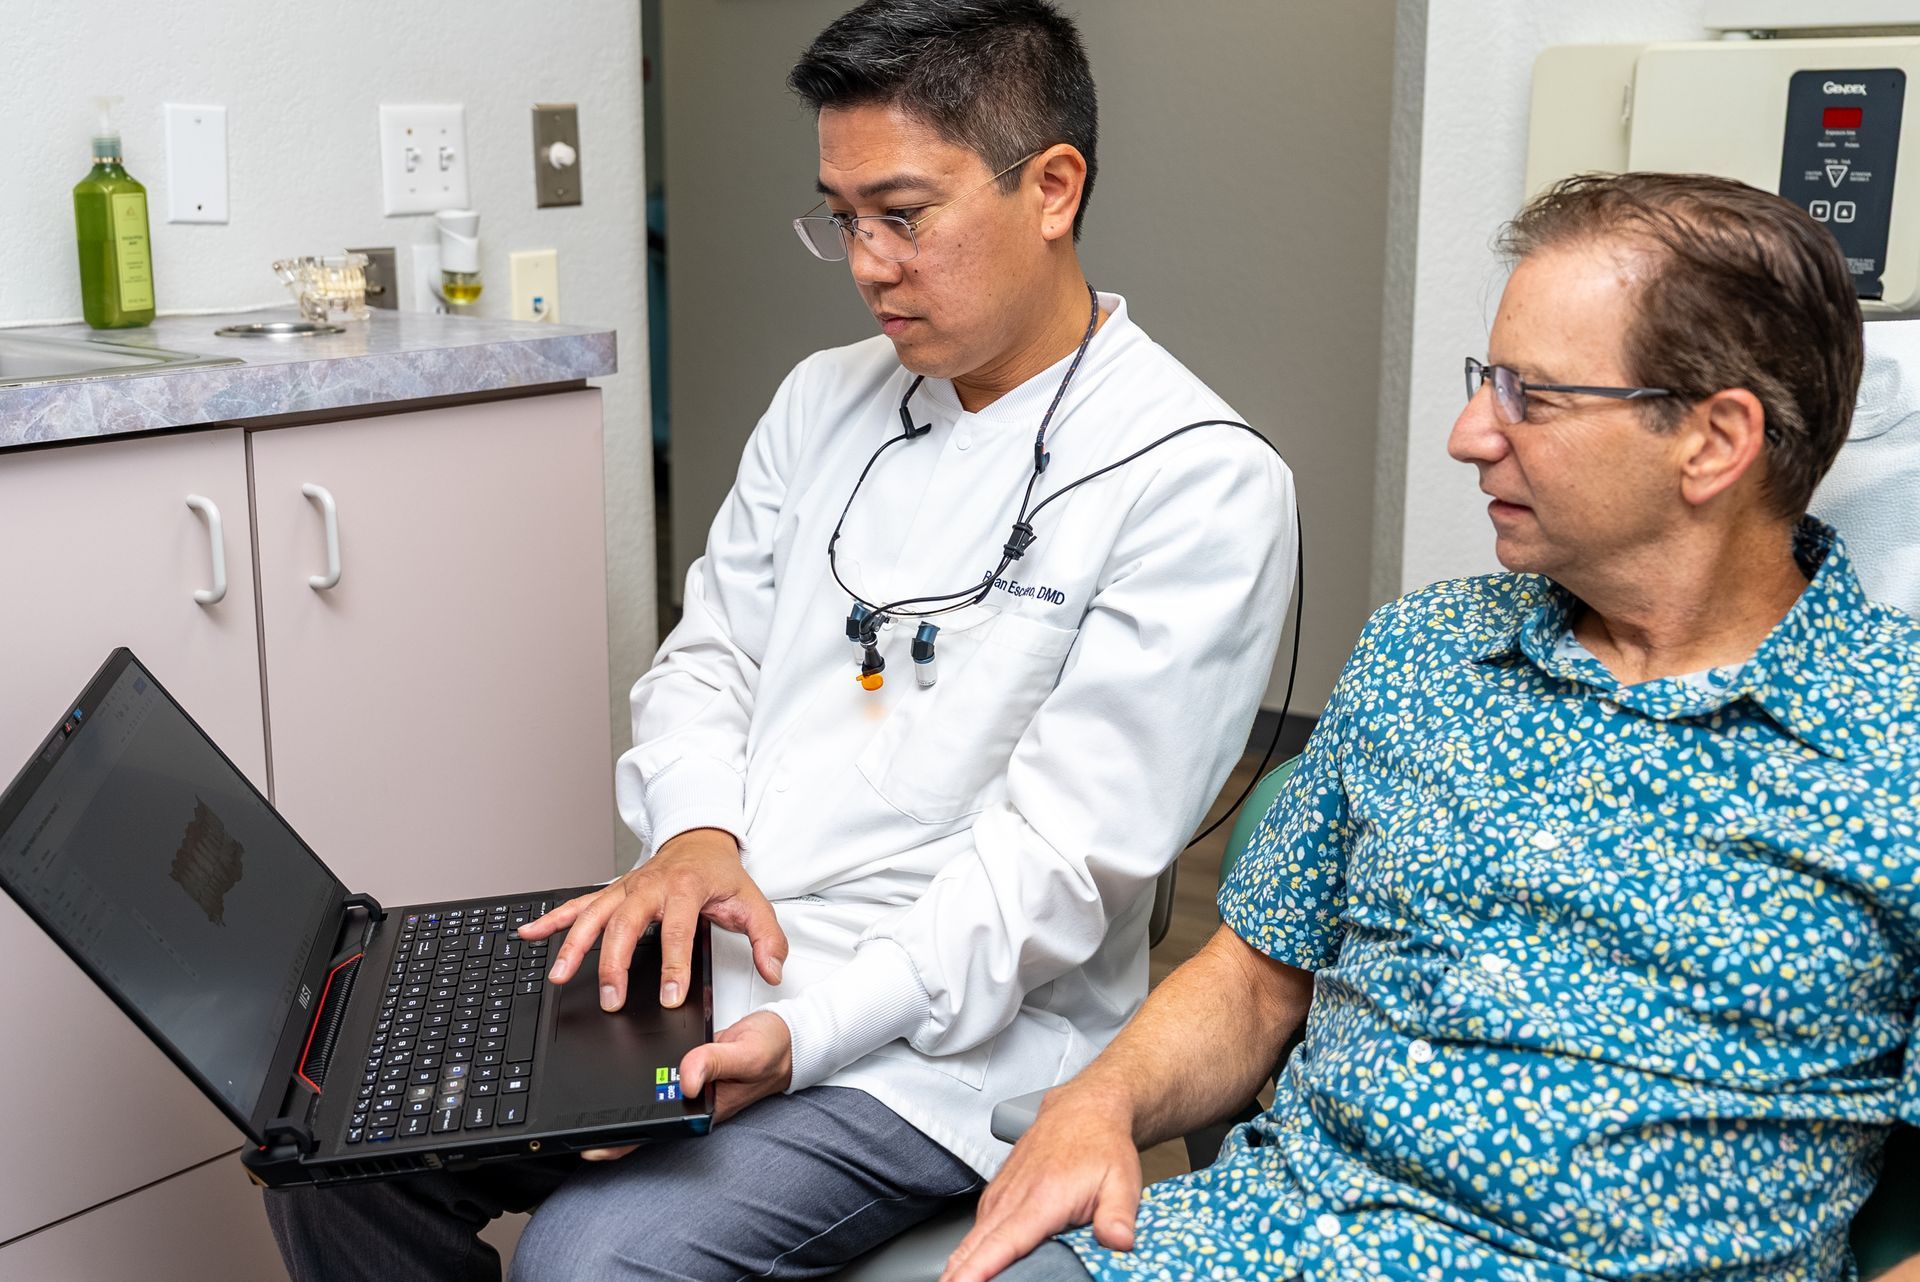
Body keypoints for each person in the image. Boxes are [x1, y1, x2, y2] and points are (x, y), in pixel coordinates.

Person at [264, 2, 1295, 1278]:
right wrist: (696, 836)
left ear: (1053, 189)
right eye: (841, 216)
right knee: (333, 1141)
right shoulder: (824, 400)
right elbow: (709, 659)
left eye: (903, 214)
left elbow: (1056, 874)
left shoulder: (1196, 479)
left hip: (949, 1040)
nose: (867, 263)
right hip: (718, 960)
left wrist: (803, 1035)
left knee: (597, 1256)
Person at [946, 171, 1920, 1282]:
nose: (1469, 435)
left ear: (1713, 440)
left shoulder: (1896, 747)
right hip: (1253, 1247)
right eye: (1483, 382)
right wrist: (1098, 1101)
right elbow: (1258, 977)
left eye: (1530, 397)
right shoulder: (1425, 655)